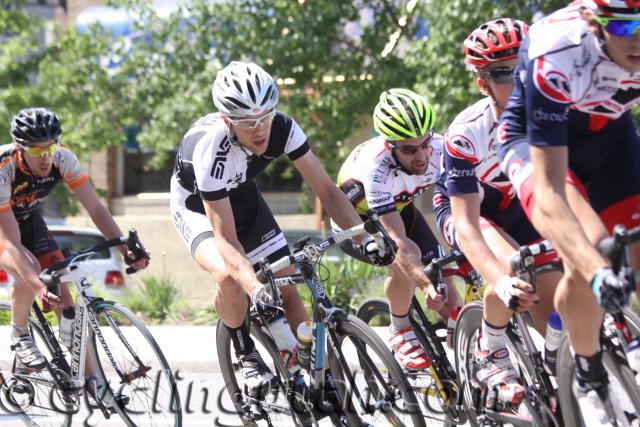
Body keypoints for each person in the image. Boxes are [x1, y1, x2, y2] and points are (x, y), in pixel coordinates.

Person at [170, 61, 393, 403]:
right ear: (228, 121)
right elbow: (227, 240)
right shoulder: (211, 151)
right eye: (247, 123)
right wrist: (254, 287)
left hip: (243, 195)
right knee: (231, 279)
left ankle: (323, 383)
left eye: (265, 117)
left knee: (288, 286)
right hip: (198, 207)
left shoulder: (283, 128)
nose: (259, 129)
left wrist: (365, 239)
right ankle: (245, 353)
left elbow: (329, 193)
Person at [497, 1, 640, 424]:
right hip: (535, 144)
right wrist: (597, 270)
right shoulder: (556, 49)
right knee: (594, 247)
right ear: (595, 23)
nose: (637, 36)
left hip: (611, 134)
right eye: (624, 22)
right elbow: (551, 191)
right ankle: (588, 373)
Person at [432, 18, 563, 409]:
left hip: (521, 203)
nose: (521, 78)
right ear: (482, 83)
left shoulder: (559, 105)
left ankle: (560, 360)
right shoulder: (467, 133)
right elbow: (470, 228)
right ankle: (490, 349)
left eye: (527, 63)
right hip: (471, 210)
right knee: (517, 272)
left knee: (555, 292)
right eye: (505, 72)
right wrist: (500, 280)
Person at [3, 108, 149, 389]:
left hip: (27, 217)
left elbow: (95, 207)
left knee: (62, 291)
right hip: (2, 225)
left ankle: (92, 381)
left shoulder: (63, 158)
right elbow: (10, 243)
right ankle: (20, 335)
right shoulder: (4, 167)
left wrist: (123, 248)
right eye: (35, 150)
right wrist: (37, 286)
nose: (45, 157)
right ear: (20, 149)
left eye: (50, 147)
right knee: (32, 270)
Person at [334, 88, 461, 370]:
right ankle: (400, 329)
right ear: (390, 146)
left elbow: (462, 203)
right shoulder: (375, 168)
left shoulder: (439, 149)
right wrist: (424, 283)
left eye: (424, 143)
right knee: (406, 258)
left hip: (401, 208)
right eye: (409, 149)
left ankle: (467, 365)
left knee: (449, 296)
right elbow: (396, 240)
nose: (421, 156)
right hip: (357, 223)